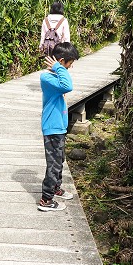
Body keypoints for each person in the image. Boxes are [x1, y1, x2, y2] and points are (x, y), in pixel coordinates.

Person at [39, 42, 80, 212]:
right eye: (69, 64)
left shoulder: (56, 76)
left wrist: (59, 69)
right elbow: (68, 86)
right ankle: (46, 200)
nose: (70, 67)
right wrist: (58, 68)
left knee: (59, 160)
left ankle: (56, 187)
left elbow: (65, 83)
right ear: (62, 61)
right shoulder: (46, 77)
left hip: (59, 127)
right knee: (54, 164)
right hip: (52, 127)